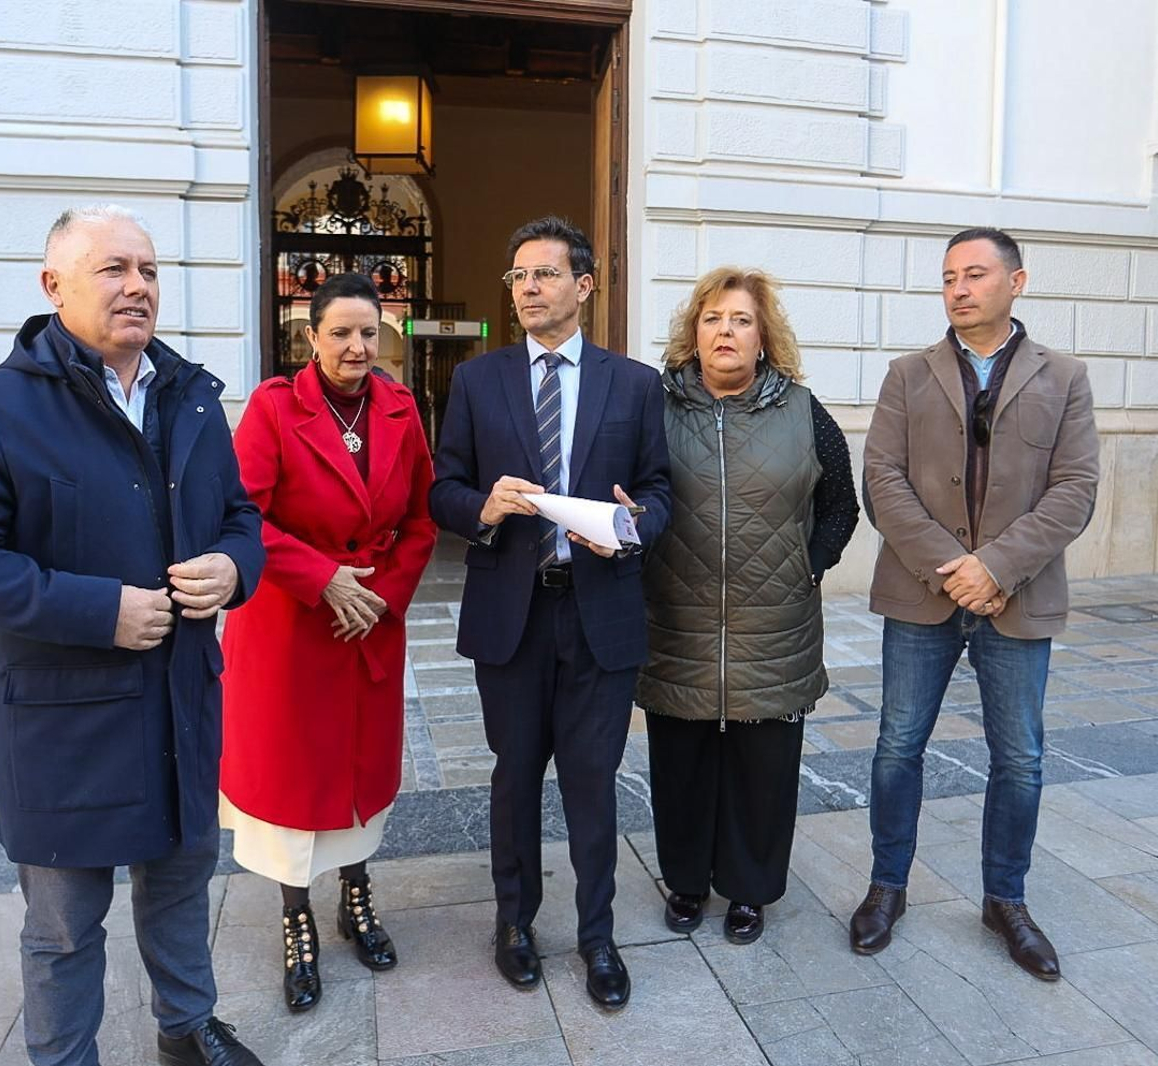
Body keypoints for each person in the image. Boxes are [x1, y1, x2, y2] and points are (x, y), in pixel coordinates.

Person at [0, 205, 268, 1066]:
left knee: (182, 886)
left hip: (180, 698)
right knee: (64, 925)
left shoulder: (191, 399)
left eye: (147, 270)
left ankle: (186, 1027)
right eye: (112, 269)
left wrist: (232, 568)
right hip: (63, 721)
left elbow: (241, 516)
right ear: (53, 285)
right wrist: (98, 610)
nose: (137, 286)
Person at [428, 216, 670, 1010]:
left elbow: (663, 492)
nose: (529, 288)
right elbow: (443, 490)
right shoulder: (477, 380)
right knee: (515, 779)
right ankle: (515, 926)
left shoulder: (633, 384)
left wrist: (633, 526)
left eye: (545, 274)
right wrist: (484, 509)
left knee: (593, 784)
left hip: (599, 612)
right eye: (518, 276)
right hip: (512, 614)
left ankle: (598, 937)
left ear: (584, 286)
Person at [851, 227, 1100, 981]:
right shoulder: (908, 374)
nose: (959, 288)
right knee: (899, 748)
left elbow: (1075, 491)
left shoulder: (1064, 377)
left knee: (1019, 758)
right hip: (921, 592)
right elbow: (882, 480)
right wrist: (950, 567)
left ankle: (1006, 901)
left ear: (1016, 283)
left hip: (1017, 598)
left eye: (976, 274)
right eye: (949, 277)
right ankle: (886, 887)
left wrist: (995, 568)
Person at [217, 272, 437, 1013]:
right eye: (340, 332)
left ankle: (356, 893)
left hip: (367, 625)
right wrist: (322, 579)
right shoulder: (273, 410)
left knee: (359, 776)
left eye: (369, 332)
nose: (356, 346)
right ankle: (295, 916)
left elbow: (422, 522)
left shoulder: (402, 410)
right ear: (310, 338)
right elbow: (241, 513)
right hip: (291, 628)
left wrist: (378, 596)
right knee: (292, 781)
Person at [636, 267, 859, 945]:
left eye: (740, 320)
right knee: (680, 763)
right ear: (692, 334)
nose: (725, 331)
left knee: (764, 772)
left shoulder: (801, 409)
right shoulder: (656, 406)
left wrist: (807, 567)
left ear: (764, 339)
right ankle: (686, 882)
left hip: (775, 623)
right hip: (676, 617)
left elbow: (840, 504)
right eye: (712, 318)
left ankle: (750, 890)